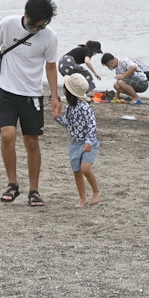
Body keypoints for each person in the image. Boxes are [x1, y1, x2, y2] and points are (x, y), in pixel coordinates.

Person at [0, 0, 60, 208]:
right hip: (7, 90)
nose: (38, 29)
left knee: (31, 142)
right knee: (7, 135)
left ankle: (34, 190)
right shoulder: (7, 24)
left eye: (42, 26)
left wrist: (55, 96)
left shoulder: (49, 36)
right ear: (26, 16)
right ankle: (12, 184)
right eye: (35, 26)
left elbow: (51, 67)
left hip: (32, 94)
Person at [55, 74, 100, 207]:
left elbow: (92, 125)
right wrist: (58, 117)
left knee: (85, 168)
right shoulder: (69, 107)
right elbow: (69, 124)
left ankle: (96, 191)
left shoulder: (85, 107)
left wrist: (89, 141)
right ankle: (82, 198)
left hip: (88, 142)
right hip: (75, 143)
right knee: (77, 172)